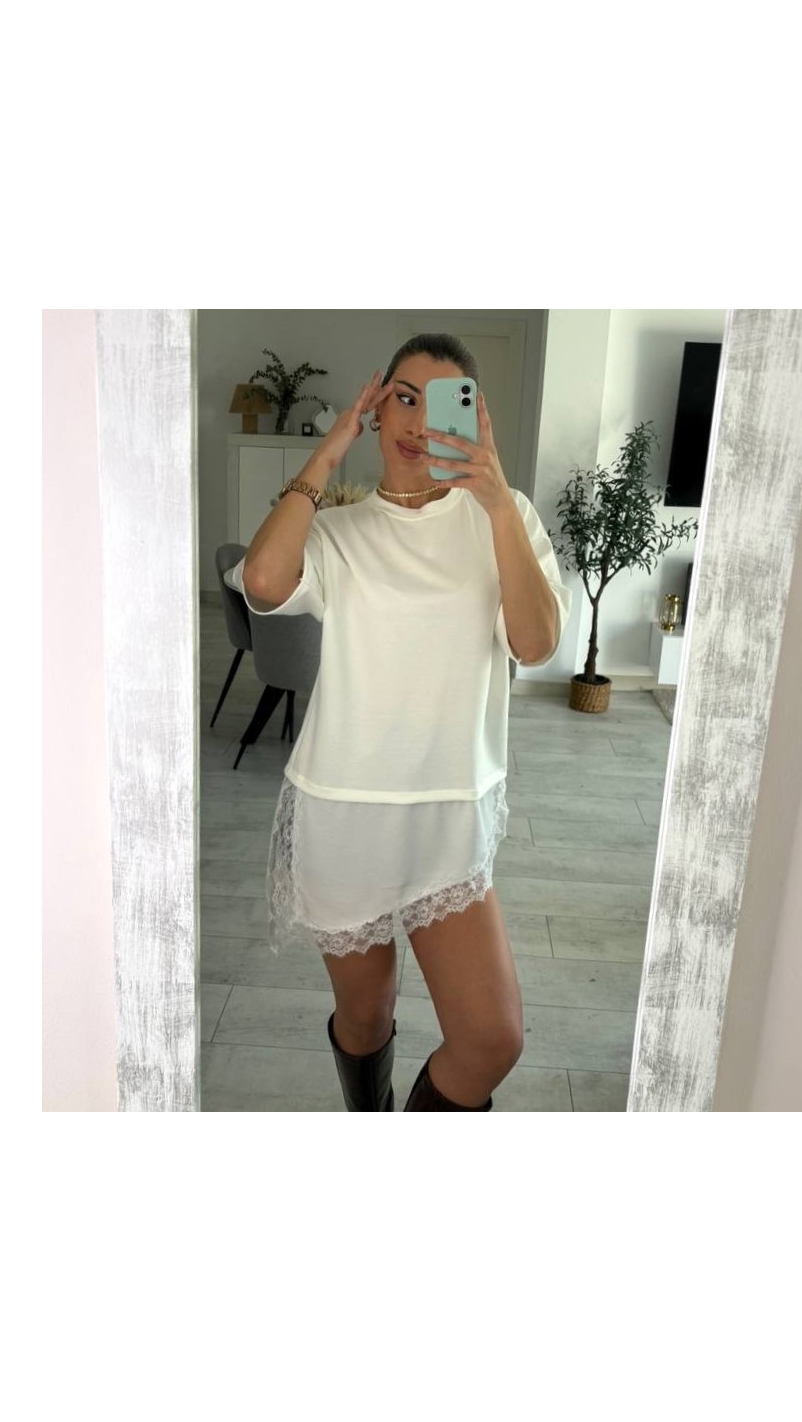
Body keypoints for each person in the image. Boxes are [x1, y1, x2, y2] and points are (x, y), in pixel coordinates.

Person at [232, 333, 571, 1111]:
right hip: (345, 812)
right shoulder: (339, 531)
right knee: (366, 1015)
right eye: (404, 399)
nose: (419, 423)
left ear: (473, 417)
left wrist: (496, 503)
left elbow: (535, 643)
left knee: (492, 1038)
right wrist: (329, 452)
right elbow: (262, 582)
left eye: (442, 404)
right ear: (377, 411)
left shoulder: (504, 516)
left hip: (448, 816)